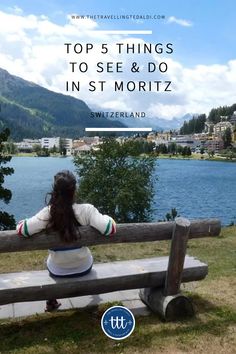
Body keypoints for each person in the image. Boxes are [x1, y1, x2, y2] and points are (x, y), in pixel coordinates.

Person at [16, 170, 116, 311]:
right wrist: (109, 218)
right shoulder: (87, 210)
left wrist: (23, 221)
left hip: (58, 270)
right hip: (84, 267)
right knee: (86, 255)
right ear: (74, 190)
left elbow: (22, 230)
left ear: (55, 191)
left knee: (48, 260)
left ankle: (51, 301)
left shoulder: (48, 213)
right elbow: (109, 229)